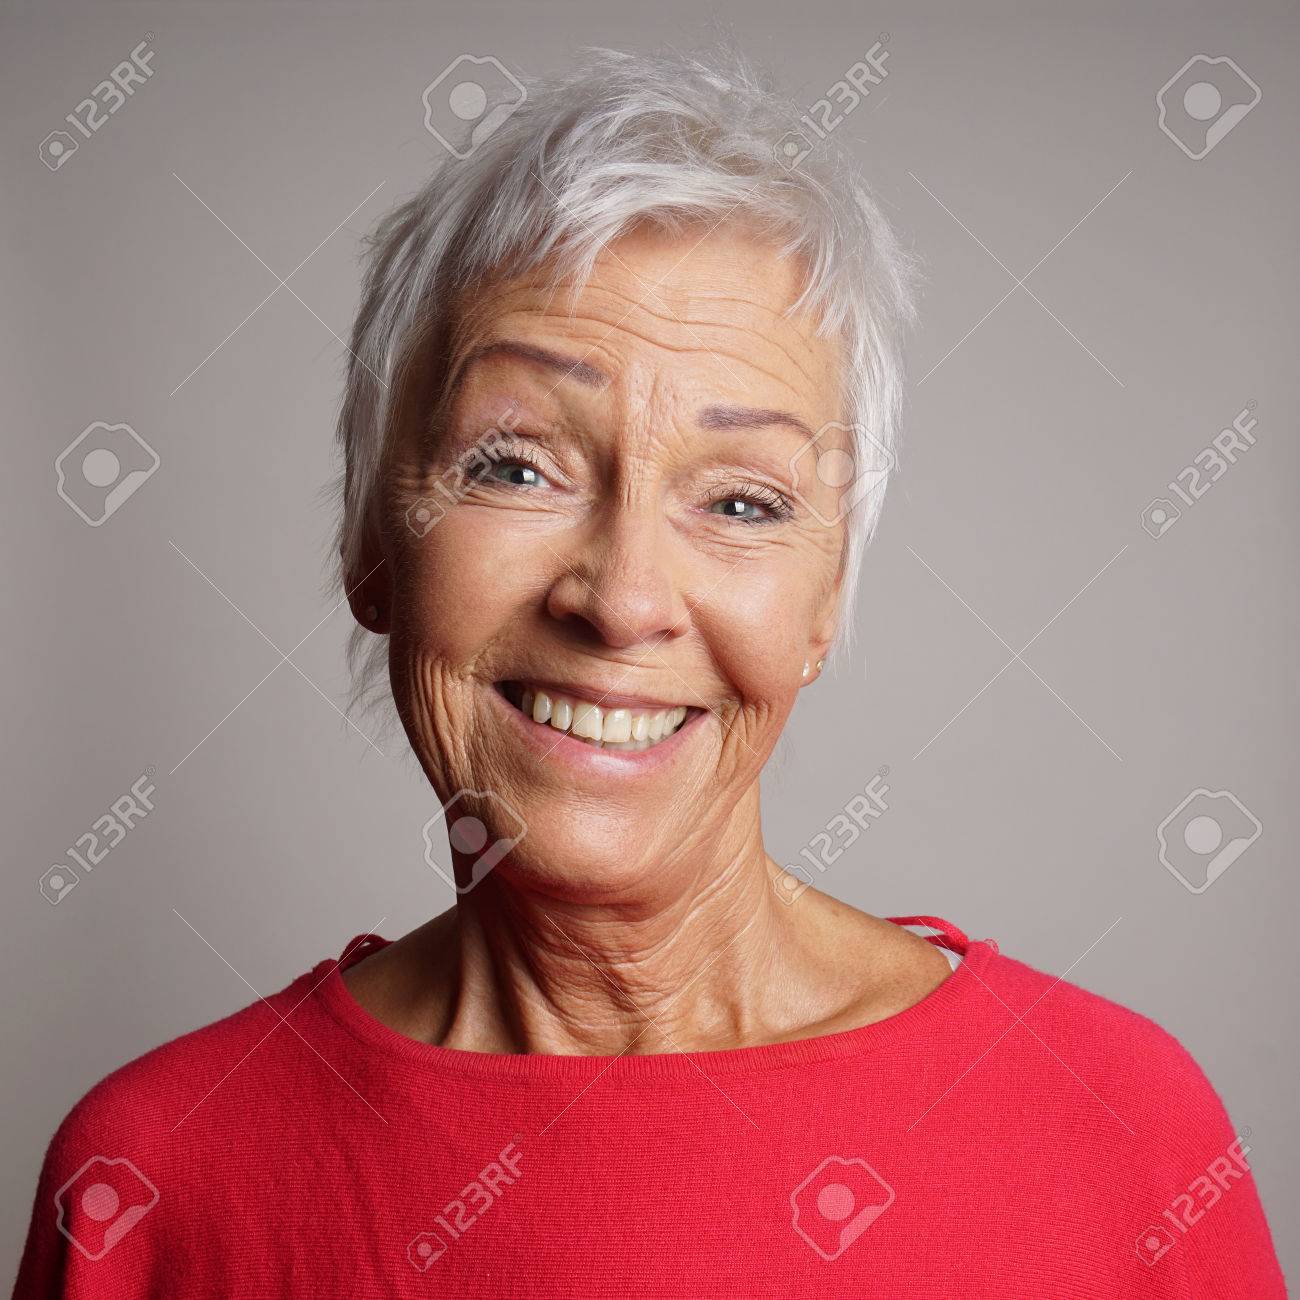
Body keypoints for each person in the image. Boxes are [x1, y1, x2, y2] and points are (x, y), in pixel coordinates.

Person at [14, 43, 1285, 1298]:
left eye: (739, 501)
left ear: (825, 600)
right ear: (369, 538)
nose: (620, 600)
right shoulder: (155, 1183)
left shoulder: (1118, 1129)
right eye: (515, 466)